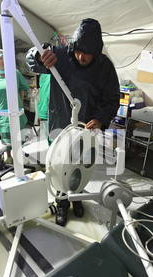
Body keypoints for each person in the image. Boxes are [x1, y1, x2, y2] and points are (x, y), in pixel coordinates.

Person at [25, 18, 120, 226]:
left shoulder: (105, 68)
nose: (80, 56)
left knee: (81, 164)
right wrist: (40, 56)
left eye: (86, 52)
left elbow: (112, 100)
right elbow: (31, 60)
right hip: (59, 125)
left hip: (86, 129)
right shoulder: (61, 56)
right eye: (77, 50)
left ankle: (77, 197)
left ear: (97, 50)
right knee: (60, 166)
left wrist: (100, 118)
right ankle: (61, 203)